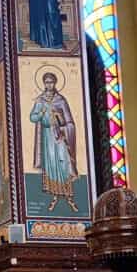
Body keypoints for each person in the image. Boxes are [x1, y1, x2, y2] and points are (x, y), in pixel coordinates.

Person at [29, 71, 79, 212]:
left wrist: (61, 120)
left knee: (63, 162)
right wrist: (41, 113)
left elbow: (69, 121)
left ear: (55, 83)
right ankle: (55, 196)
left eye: (51, 82)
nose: (49, 84)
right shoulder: (40, 100)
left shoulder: (61, 100)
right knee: (51, 164)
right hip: (47, 136)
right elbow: (32, 117)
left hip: (60, 136)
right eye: (47, 82)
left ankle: (68, 196)